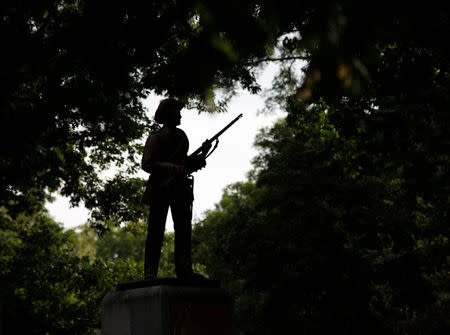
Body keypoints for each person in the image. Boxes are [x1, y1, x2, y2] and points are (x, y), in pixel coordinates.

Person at [141, 98, 209, 280]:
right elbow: (147, 164)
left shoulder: (182, 137)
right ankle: (150, 272)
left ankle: (184, 270)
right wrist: (173, 168)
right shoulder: (155, 138)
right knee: (156, 231)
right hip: (159, 189)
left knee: (184, 230)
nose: (180, 115)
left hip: (179, 189)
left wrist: (200, 157)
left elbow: (184, 164)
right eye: (176, 112)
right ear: (168, 114)